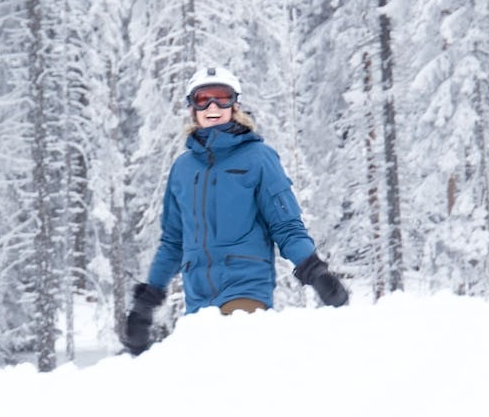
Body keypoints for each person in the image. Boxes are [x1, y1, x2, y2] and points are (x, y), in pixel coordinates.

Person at [120, 65, 348, 355]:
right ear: (192, 108)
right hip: (198, 300)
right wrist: (146, 302)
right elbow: (172, 242)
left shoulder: (259, 158)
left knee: (234, 360)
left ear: (235, 104)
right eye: (203, 99)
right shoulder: (182, 168)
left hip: (245, 289)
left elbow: (286, 226)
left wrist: (315, 271)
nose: (213, 106)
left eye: (222, 97)